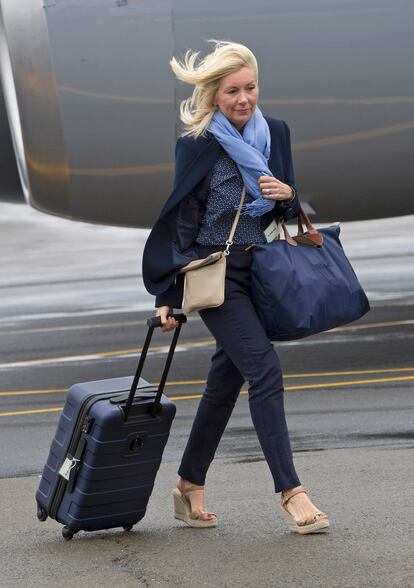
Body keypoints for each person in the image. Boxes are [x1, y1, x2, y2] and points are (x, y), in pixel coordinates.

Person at [142, 41, 329, 534]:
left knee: (225, 383)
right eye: (232, 91)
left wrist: (288, 196)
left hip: (263, 271)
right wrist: (169, 297)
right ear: (213, 94)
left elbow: (286, 214)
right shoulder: (197, 144)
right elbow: (182, 220)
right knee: (264, 369)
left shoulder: (277, 134)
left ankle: (187, 485)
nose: (243, 99)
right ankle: (292, 492)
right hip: (217, 276)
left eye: (250, 88)